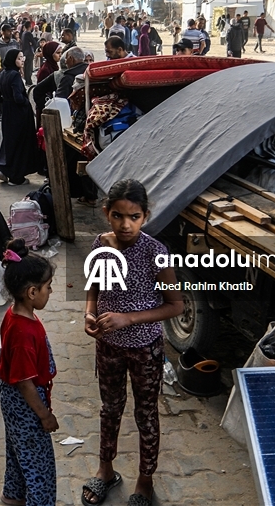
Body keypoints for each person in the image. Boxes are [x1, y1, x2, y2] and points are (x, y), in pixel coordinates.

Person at [82, 180, 184, 506]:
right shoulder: (101, 244)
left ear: (145, 216)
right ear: (106, 213)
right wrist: (88, 312)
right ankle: (105, 470)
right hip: (108, 345)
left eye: (134, 217)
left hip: (146, 349)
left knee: (146, 414)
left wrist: (130, 318)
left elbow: (175, 305)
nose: (126, 225)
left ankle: (145, 481)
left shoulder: (157, 253)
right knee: (109, 408)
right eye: (118, 216)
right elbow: (94, 287)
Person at [0, 239, 57, 506]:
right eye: (47, 287)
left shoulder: (14, 314)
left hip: (11, 401)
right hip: (26, 405)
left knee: (18, 450)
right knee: (39, 466)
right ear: (32, 292)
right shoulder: (23, 332)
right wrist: (44, 416)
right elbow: (24, 383)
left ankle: (13, 496)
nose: (51, 291)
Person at [0, 49, 40, 186]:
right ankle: (16, 176)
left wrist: (5, 102)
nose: (23, 60)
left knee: (10, 141)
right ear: (13, 60)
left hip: (7, 113)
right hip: (19, 114)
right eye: (20, 58)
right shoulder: (14, 75)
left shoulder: (3, 74)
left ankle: (4, 168)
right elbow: (18, 98)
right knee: (21, 143)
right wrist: (26, 102)